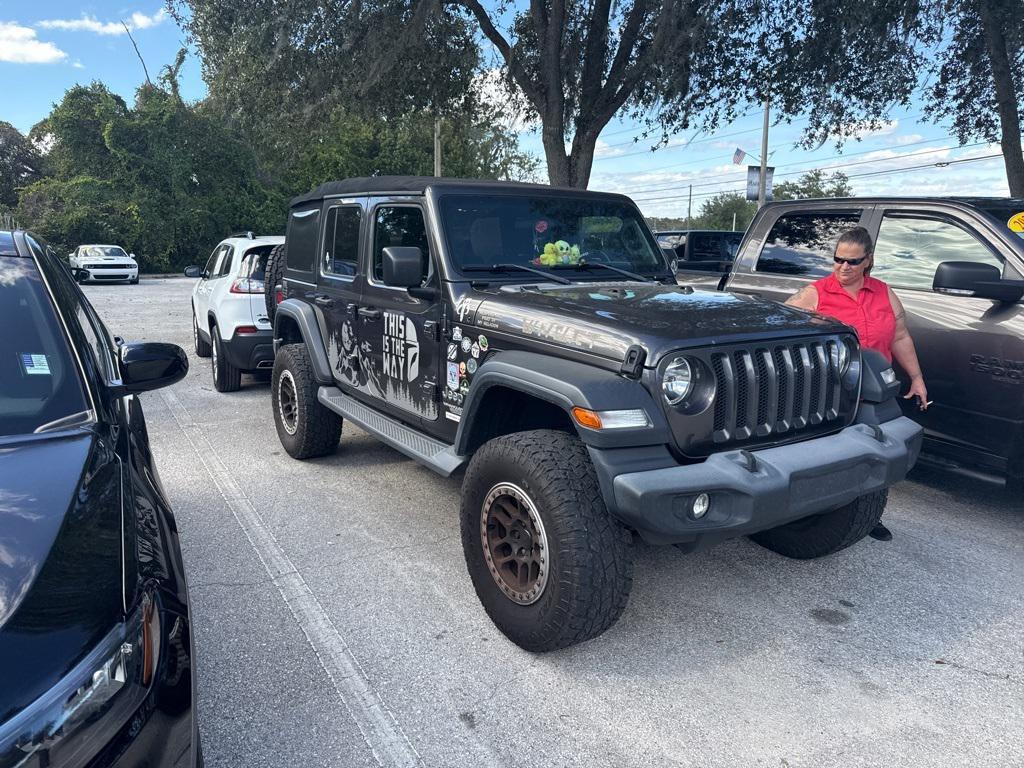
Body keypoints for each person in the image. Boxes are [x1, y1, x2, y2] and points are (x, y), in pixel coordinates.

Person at [785, 226, 928, 542]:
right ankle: (809, 513)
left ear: (868, 261)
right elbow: (780, 332)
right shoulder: (816, 293)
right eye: (838, 260)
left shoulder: (883, 292)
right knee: (836, 457)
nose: (843, 268)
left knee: (878, 452)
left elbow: (901, 336)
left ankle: (867, 515)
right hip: (831, 394)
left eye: (852, 261)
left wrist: (916, 378)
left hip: (874, 391)